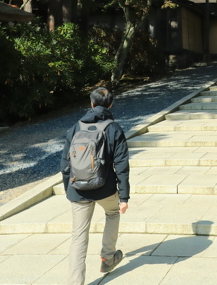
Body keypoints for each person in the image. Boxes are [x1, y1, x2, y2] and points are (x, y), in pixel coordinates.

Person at [61, 87, 130, 285]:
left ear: (91, 104)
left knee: (78, 237)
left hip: (78, 190)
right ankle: (108, 258)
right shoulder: (114, 128)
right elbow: (122, 166)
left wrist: (70, 190)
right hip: (105, 189)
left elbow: (65, 165)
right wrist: (123, 197)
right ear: (111, 104)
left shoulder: (76, 127)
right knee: (113, 212)